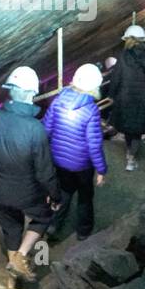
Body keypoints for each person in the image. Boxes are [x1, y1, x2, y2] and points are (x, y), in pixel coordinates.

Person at [0, 66, 60, 283]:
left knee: (10, 227)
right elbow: (44, 170)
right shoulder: (35, 128)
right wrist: (55, 194)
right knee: (43, 217)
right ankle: (21, 257)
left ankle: (12, 278)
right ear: (31, 93)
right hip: (27, 192)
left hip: (0, 190)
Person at [42, 63, 107, 240]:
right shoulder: (91, 109)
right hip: (82, 165)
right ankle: (83, 231)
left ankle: (54, 225)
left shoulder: (58, 101)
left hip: (59, 161)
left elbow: (45, 130)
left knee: (63, 192)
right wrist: (101, 170)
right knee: (85, 196)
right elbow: (94, 144)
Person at [108, 24, 145, 171]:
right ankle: (131, 157)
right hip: (144, 99)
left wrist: (112, 94)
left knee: (129, 128)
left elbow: (116, 77)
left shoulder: (123, 56)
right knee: (137, 130)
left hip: (125, 98)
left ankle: (130, 154)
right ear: (142, 39)